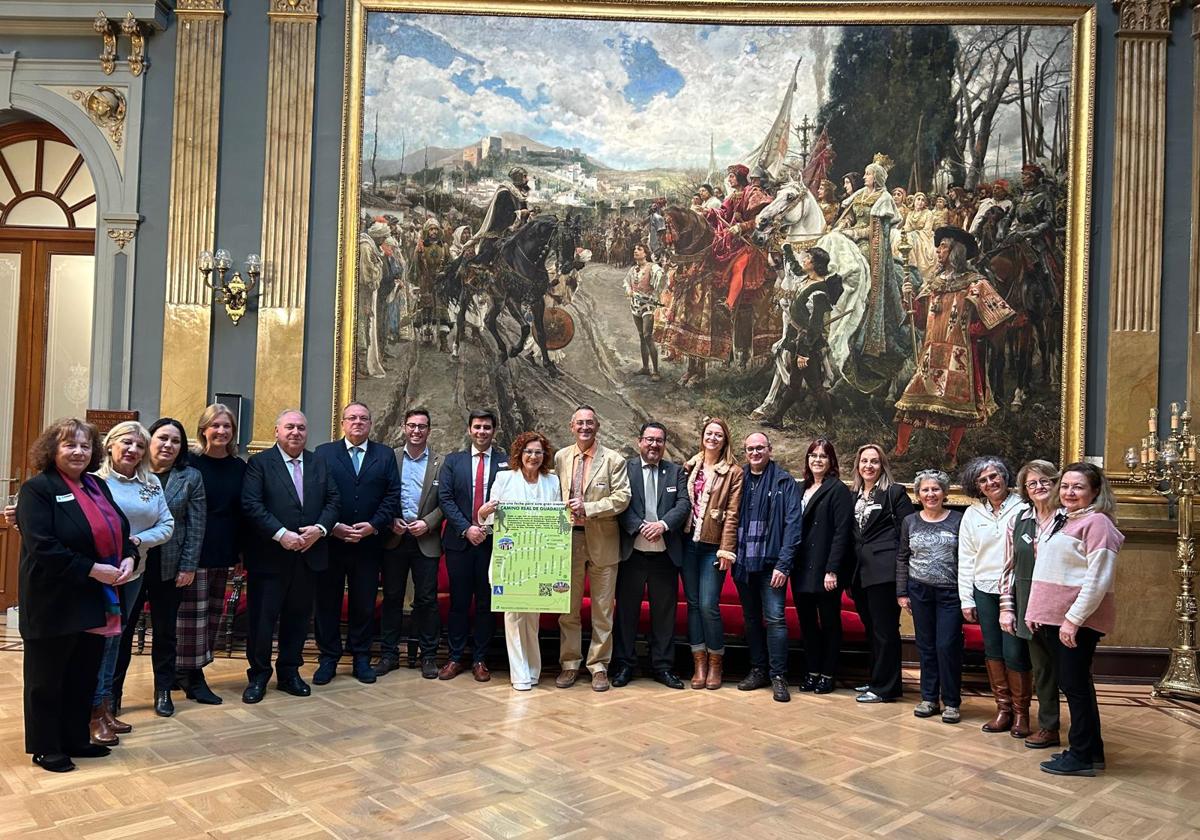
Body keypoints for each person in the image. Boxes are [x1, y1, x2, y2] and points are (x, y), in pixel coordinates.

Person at [17, 419, 135, 772]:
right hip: (53, 598)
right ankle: (46, 746)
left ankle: (74, 738)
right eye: (70, 445)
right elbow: (44, 547)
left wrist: (129, 555)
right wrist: (92, 569)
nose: (79, 452)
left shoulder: (97, 485)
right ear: (52, 450)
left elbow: (120, 530)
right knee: (47, 678)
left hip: (94, 597)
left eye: (85, 446)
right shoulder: (37, 489)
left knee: (82, 674)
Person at [1025, 463, 1123, 777]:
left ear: (1095, 491)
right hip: (1056, 619)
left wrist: (1073, 620)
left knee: (1074, 686)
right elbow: (1050, 572)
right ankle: (1090, 751)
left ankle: (1081, 756)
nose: (1069, 492)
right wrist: (1036, 613)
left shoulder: (1097, 523)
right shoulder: (1066, 520)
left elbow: (1098, 579)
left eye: (1078, 487)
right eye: (1065, 486)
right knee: (1076, 684)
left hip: (1074, 622)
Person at [892, 227, 1016, 469]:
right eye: (938, 247)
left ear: (956, 252)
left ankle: (951, 453)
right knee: (910, 398)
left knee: (957, 408)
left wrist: (973, 331)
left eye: (943, 247)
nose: (938, 251)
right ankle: (900, 448)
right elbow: (917, 320)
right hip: (931, 352)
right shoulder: (933, 283)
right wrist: (907, 297)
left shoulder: (975, 283)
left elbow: (999, 317)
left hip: (959, 354)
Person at [240, 409, 340, 704]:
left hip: (308, 556)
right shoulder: (259, 463)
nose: (296, 432)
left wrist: (320, 529)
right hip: (270, 557)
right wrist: (282, 534)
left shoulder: (319, 463)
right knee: (262, 621)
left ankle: (289, 673)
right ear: (276, 431)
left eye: (301, 428)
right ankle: (258, 676)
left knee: (298, 619)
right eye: (289, 427)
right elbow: (251, 504)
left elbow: (334, 501)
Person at [111, 418, 206, 719]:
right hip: (130, 565)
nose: (168, 445)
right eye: (162, 438)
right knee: (122, 631)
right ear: (150, 441)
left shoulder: (190, 477)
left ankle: (163, 690)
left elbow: (195, 526)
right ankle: (112, 694)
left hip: (169, 567)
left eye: (175, 441)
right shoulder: (132, 473)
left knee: (166, 632)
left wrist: (188, 565)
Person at [94, 420, 174, 740]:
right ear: (110, 445)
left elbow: (166, 526)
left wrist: (137, 543)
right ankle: (91, 708)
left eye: (140, 446)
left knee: (116, 637)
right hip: (99, 575)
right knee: (97, 641)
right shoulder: (93, 481)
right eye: (126, 443)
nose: (133, 450)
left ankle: (104, 706)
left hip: (133, 572)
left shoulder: (151, 482)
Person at [313, 402, 402, 686]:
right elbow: (316, 495)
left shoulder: (385, 455)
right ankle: (328, 658)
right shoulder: (324, 454)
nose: (358, 422)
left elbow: (392, 496)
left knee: (364, 603)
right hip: (332, 542)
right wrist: (332, 526)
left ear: (371, 423)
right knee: (327, 602)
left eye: (364, 418)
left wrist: (373, 526)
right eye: (352, 418)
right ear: (342, 423)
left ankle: (361, 657)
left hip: (368, 544)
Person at [553, 405, 631, 691]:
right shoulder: (561, 457)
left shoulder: (613, 460)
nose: (585, 427)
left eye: (590, 423)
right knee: (568, 608)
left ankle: (599, 666)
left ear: (597, 427)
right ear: (571, 427)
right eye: (580, 423)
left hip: (603, 541)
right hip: (568, 541)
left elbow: (622, 498)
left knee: (602, 609)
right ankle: (569, 664)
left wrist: (590, 507)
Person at [477, 431, 562, 691]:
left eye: (538, 452)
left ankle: (534, 669)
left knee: (532, 617)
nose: (533, 456)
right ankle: (520, 674)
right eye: (528, 451)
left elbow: (558, 520)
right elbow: (488, 520)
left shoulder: (553, 481)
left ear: (544, 455)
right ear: (519, 454)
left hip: (539, 559)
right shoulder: (504, 478)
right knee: (513, 616)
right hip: (509, 559)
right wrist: (483, 513)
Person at [612, 422, 691, 689]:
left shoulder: (676, 472)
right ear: (639, 442)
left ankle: (663, 667)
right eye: (649, 440)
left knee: (664, 615)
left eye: (659, 440)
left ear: (664, 444)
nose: (654, 445)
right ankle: (624, 665)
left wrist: (663, 525)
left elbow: (683, 504)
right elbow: (620, 503)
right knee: (626, 614)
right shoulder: (625, 469)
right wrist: (639, 526)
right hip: (631, 555)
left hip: (664, 556)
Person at [177, 403, 245, 705]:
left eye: (226, 426)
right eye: (215, 425)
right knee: (192, 617)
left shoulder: (240, 467)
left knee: (214, 616)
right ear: (203, 429)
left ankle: (190, 669)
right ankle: (192, 676)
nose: (221, 431)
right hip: (195, 551)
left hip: (227, 550)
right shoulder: (189, 464)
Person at [958, 456, 1030, 736]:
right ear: (977, 486)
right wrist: (967, 599)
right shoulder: (973, 514)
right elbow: (966, 558)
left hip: (1015, 590)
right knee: (993, 651)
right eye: (983, 480)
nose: (990, 483)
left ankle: (1022, 714)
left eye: (994, 476)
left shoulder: (1023, 508)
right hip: (984, 589)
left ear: (1004, 477)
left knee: (1015, 651)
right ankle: (1003, 710)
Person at [437, 409, 507, 681]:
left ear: (494, 430)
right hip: (459, 544)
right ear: (469, 430)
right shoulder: (453, 462)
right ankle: (455, 657)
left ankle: (480, 659)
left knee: (486, 603)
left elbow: (508, 500)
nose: (482, 432)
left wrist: (484, 529)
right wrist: (467, 529)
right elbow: (445, 498)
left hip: (492, 545)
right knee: (459, 603)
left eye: (487, 427)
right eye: (477, 427)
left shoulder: (505, 462)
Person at [732, 432, 801, 703]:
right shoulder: (738, 479)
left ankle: (779, 676)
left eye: (760, 448)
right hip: (743, 564)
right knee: (750, 620)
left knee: (775, 620)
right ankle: (758, 669)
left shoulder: (785, 482)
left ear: (769, 450)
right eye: (750, 449)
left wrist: (784, 565)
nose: (755, 453)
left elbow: (793, 527)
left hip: (773, 565)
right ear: (745, 452)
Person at [1000, 460, 1063, 750]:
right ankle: (1049, 727)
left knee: (1071, 671)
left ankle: (1083, 732)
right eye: (1031, 483)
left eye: (1044, 481)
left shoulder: (1069, 518)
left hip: (1063, 604)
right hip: (1028, 603)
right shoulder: (1019, 519)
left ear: (1055, 484)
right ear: (1025, 490)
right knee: (1042, 669)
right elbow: (1008, 569)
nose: (1038, 487)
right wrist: (1007, 607)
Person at [378, 408, 444, 678]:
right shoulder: (389, 458)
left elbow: (446, 502)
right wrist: (390, 519)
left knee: (426, 600)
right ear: (404, 428)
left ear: (429, 430)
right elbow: (379, 494)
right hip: (394, 538)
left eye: (422, 426)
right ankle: (389, 654)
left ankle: (428, 656)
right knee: (392, 598)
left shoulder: (442, 462)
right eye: (412, 426)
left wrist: (427, 523)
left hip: (425, 540)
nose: (417, 431)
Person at [896, 469, 964, 724]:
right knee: (925, 646)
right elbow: (903, 557)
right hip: (919, 591)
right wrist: (902, 592)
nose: (930, 494)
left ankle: (952, 702)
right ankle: (929, 698)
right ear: (918, 494)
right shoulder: (910, 521)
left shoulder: (958, 520)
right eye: (925, 490)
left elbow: (966, 559)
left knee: (947, 645)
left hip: (950, 593)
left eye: (935, 489)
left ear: (945, 493)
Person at [681, 417, 743, 690]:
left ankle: (716, 661)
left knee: (708, 604)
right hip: (687, 545)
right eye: (709, 433)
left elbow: (732, 515)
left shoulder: (733, 472)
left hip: (712, 547)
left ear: (725, 439)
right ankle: (699, 663)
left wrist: (727, 549)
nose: (713, 438)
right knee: (693, 605)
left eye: (719, 434)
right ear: (703, 436)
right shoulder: (690, 466)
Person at [850, 444, 915, 703]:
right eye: (864, 461)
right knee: (872, 629)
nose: (868, 466)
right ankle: (878, 679)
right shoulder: (853, 494)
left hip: (885, 571)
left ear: (882, 465)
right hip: (859, 572)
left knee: (885, 630)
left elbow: (908, 531)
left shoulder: (894, 493)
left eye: (874, 461)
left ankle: (885, 689)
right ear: (857, 465)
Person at [792, 439, 854, 694]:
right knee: (807, 624)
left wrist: (833, 570)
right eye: (813, 455)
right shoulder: (800, 488)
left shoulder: (837, 490)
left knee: (829, 624)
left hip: (825, 569)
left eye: (823, 456)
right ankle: (812, 671)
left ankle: (827, 674)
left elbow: (842, 533)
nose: (817, 460)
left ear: (831, 461)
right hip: (801, 566)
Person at [759, 247, 841, 430]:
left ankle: (830, 427)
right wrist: (787, 250)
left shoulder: (818, 293)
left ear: (815, 265)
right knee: (794, 385)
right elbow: (795, 269)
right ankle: (777, 418)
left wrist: (804, 353)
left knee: (816, 387)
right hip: (797, 342)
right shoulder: (806, 279)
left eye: (808, 259)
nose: (804, 260)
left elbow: (815, 327)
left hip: (807, 345)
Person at [710, 163, 772, 313]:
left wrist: (741, 226)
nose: (729, 179)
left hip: (754, 240)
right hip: (736, 240)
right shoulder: (733, 196)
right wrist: (708, 211)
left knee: (738, 266)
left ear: (739, 177)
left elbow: (761, 219)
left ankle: (729, 305)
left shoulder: (753, 193)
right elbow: (723, 214)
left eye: (732, 176)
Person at [462, 166, 532, 267]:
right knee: (489, 256)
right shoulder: (504, 193)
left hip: (518, 233)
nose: (527, 179)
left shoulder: (520, 195)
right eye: (525, 176)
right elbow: (501, 217)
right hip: (500, 233)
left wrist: (529, 215)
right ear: (518, 177)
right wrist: (520, 213)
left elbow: (524, 216)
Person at [623, 242, 664, 381]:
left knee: (647, 335)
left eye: (639, 249)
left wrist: (660, 275)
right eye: (634, 249)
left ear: (645, 253)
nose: (635, 251)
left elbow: (661, 279)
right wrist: (628, 289)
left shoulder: (652, 267)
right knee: (641, 336)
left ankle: (656, 371)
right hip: (635, 306)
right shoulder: (633, 269)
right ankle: (646, 368)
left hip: (648, 306)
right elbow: (627, 282)